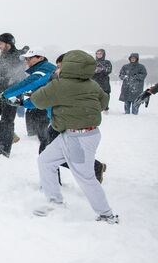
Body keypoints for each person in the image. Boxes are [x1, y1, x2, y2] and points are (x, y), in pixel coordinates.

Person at [27, 50, 117, 224]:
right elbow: (103, 102)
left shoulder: (60, 84)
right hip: (78, 134)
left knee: (85, 177)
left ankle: (107, 215)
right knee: (45, 161)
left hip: (78, 138)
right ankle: (55, 202)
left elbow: (38, 100)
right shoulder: (92, 84)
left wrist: (52, 82)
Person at [0, 48, 56, 152]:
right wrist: (22, 103)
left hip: (63, 117)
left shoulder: (44, 70)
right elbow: (40, 97)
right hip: (57, 118)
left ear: (41, 58)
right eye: (25, 59)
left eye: (29, 58)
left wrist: (4, 94)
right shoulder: (41, 72)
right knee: (48, 154)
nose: (26, 61)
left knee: (50, 153)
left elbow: (26, 84)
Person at [0, 33, 28, 157]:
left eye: (0, 43)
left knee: (7, 121)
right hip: (0, 92)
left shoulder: (19, 56)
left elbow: (16, 76)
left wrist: (0, 80)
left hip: (13, 93)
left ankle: (4, 150)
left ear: (8, 43)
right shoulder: (4, 55)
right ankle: (9, 137)